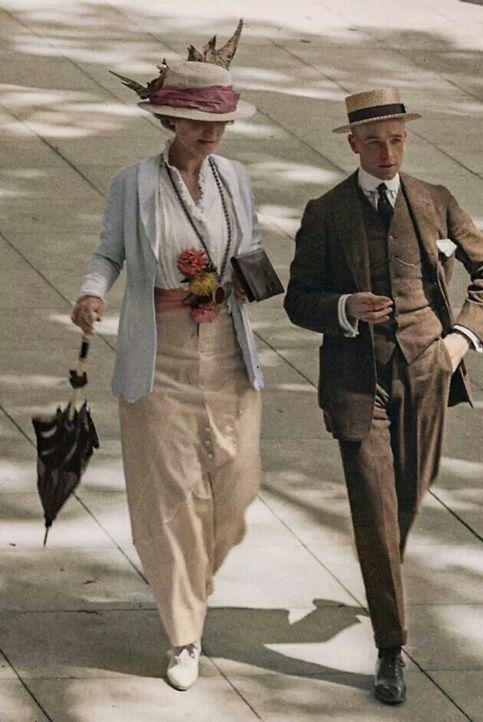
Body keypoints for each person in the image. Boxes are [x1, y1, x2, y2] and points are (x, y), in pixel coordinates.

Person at [284, 89, 483, 705]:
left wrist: (462, 339)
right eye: (375, 141)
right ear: (352, 144)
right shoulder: (325, 212)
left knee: (408, 494)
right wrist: (343, 308)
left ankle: (382, 576)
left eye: (398, 139)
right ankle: (390, 648)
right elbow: (297, 299)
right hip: (359, 382)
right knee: (374, 509)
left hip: (429, 372)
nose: (388, 152)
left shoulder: (434, 201)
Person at [71, 23, 264, 691]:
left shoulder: (236, 179)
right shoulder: (134, 183)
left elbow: (253, 253)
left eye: (218, 123)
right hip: (161, 358)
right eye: (194, 123)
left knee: (235, 489)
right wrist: (93, 295)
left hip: (228, 353)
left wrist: (245, 278)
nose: (210, 134)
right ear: (169, 121)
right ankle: (184, 634)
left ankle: (196, 585)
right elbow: (108, 254)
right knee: (169, 498)